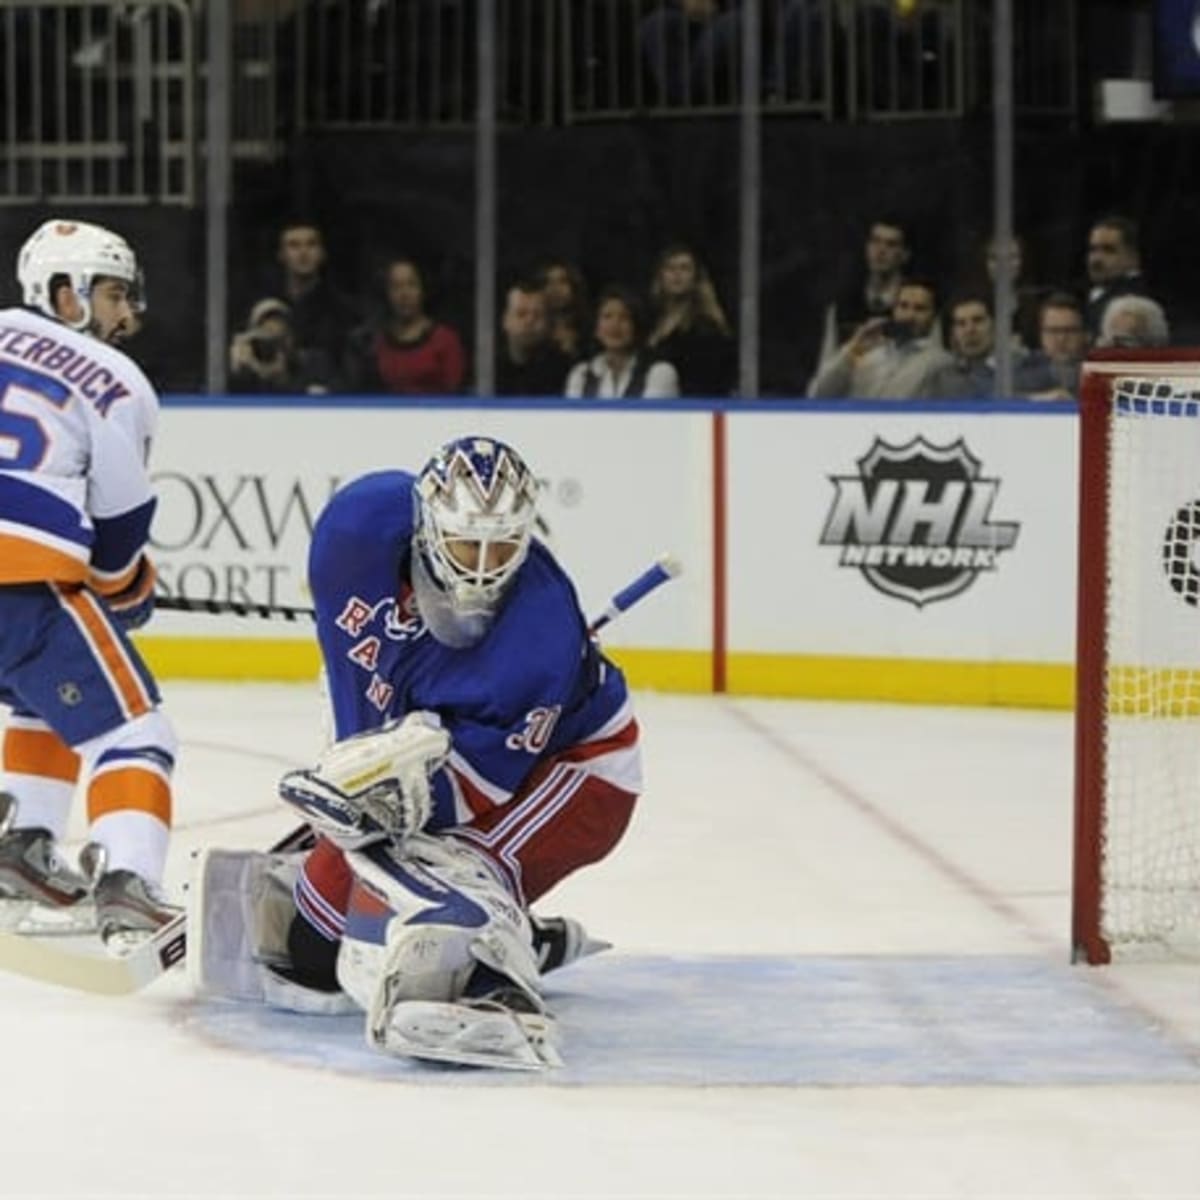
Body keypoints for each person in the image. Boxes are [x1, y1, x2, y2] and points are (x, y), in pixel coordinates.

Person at [190, 435, 642, 1070]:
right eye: (466, 544)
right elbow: (353, 683)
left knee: (450, 862)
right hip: (441, 753)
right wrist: (355, 783)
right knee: (313, 955)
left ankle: (493, 983)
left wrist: (378, 803)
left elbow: (474, 789)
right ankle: (525, 936)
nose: (483, 568)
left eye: (502, 547)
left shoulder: (540, 632)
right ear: (427, 527)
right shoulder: (356, 529)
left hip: (576, 771)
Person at [0, 219, 180, 950]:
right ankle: (130, 887)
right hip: (24, 577)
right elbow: (121, 515)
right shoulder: (116, 380)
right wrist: (123, 586)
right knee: (134, 728)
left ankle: (22, 848)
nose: (125, 314)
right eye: (112, 294)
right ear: (64, 292)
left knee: (51, 699)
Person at [807, 276, 951, 399]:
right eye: (903, 306)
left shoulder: (941, 363)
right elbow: (818, 394)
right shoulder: (863, 353)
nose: (909, 316)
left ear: (934, 317)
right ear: (894, 310)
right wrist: (853, 349)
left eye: (920, 309)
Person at [343, 256, 467, 394]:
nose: (404, 294)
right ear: (387, 293)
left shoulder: (445, 340)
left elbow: (457, 401)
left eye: (411, 285)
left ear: (423, 290)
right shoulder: (374, 342)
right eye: (396, 287)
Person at [646, 243, 736, 397]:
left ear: (696, 277)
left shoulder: (705, 328)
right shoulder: (651, 320)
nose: (677, 274)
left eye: (684, 268)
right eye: (670, 268)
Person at [565, 285, 680, 398]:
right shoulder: (581, 375)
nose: (615, 325)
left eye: (624, 317)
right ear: (596, 328)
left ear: (636, 326)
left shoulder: (660, 372)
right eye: (607, 316)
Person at [227, 297, 339, 395]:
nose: (278, 347)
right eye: (268, 335)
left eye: (282, 336)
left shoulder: (316, 364)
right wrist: (238, 370)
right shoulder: (248, 374)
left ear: (293, 336)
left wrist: (283, 380)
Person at [494, 279, 571, 396]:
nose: (529, 321)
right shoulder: (488, 369)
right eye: (521, 314)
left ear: (548, 322)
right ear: (505, 320)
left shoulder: (566, 372)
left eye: (538, 315)